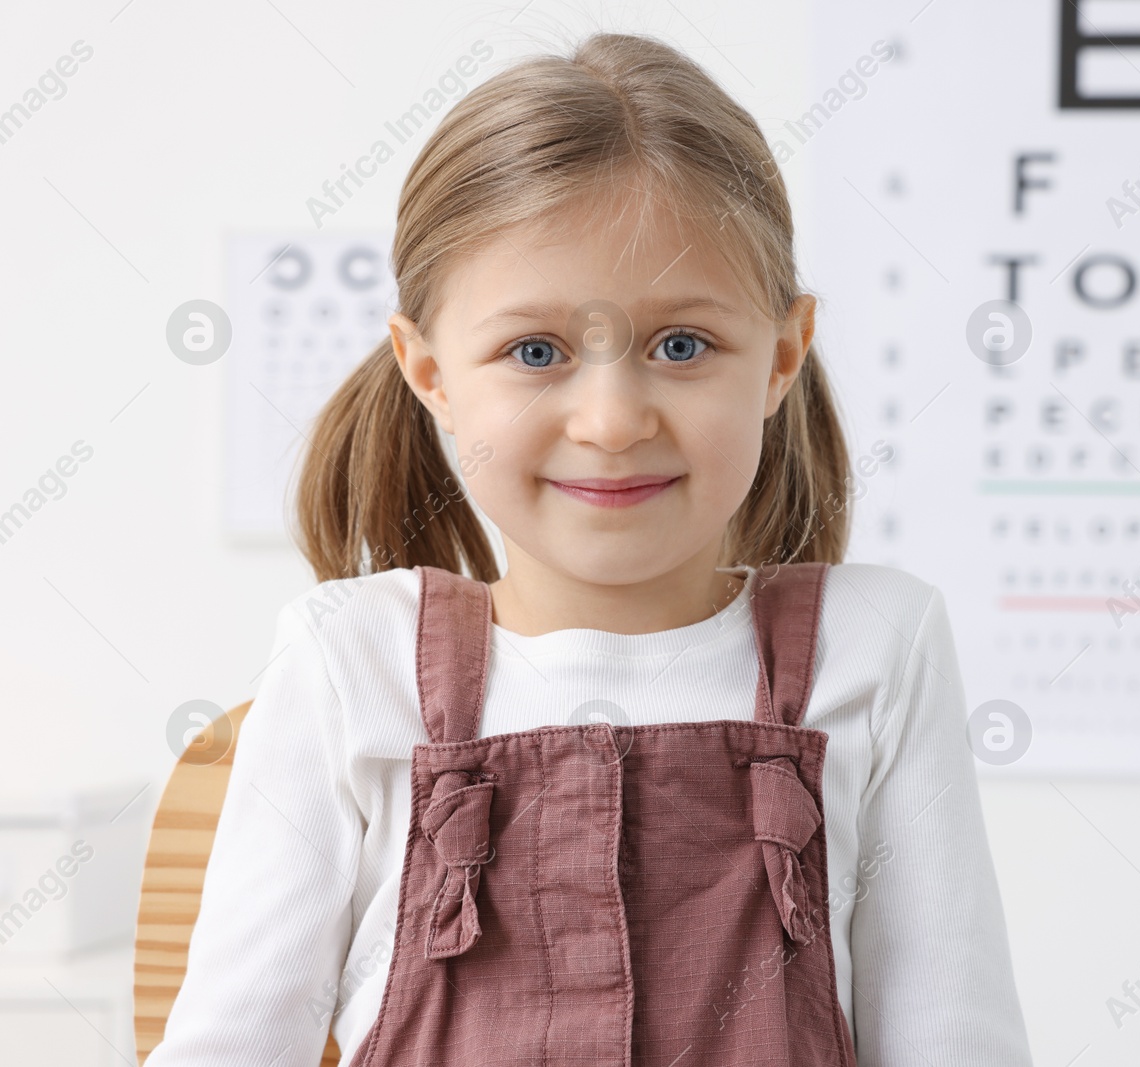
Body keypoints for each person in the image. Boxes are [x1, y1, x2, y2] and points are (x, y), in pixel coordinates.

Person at [146, 30, 1031, 1067]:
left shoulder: (876, 644)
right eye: (535, 351)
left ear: (783, 354)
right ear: (429, 371)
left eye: (681, 345)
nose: (611, 419)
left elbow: (954, 1037)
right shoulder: (349, 658)